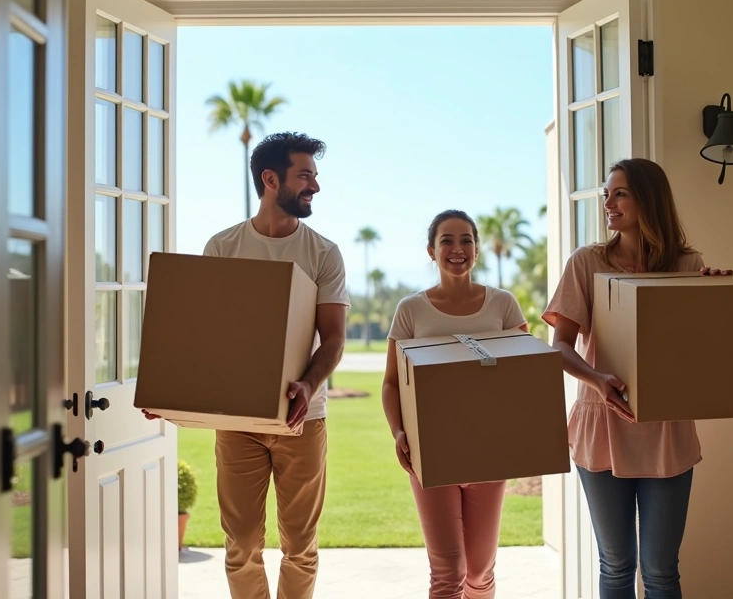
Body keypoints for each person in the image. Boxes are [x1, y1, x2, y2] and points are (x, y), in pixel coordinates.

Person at [143, 132, 349, 599]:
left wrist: (308, 385)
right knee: (241, 545)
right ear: (270, 179)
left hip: (303, 420)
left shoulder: (323, 253)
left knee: (299, 545)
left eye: (315, 177)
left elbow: (333, 339)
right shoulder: (224, 246)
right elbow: (204, 338)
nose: (315, 186)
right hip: (237, 423)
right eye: (305, 176)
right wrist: (167, 391)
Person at [543, 158, 729, 599]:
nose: (608, 202)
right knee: (616, 565)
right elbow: (560, 348)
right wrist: (597, 379)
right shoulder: (587, 262)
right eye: (607, 193)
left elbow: (705, 349)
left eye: (619, 192)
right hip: (602, 423)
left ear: (649, 198)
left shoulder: (689, 264)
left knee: (662, 570)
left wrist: (718, 296)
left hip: (667, 427)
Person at [380, 209, 529, 599]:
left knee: (479, 571)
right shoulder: (411, 310)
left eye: (466, 240)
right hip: (430, 453)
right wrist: (399, 432)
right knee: (447, 572)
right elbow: (392, 384)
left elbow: (527, 379)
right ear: (432, 251)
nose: (457, 248)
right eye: (447, 240)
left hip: (489, 451)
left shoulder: (503, 306)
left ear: (477, 249)